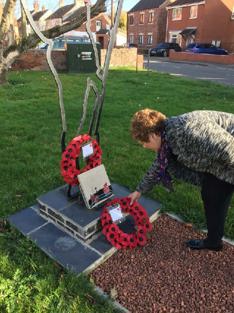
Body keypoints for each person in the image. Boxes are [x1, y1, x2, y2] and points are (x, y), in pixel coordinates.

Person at [128, 109, 234, 251]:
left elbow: (229, 149)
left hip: (230, 154)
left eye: (143, 141)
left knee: (213, 192)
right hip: (219, 165)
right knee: (211, 194)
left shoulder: (188, 129)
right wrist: (139, 191)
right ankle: (213, 242)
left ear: (153, 135)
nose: (144, 146)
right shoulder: (167, 141)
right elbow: (158, 166)